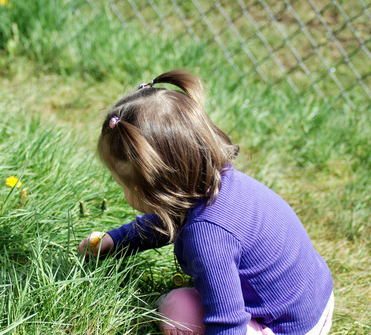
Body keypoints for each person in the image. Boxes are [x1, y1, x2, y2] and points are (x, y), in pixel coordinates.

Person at [78, 69, 334, 335]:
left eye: (122, 185)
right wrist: (117, 240)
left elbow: (227, 321)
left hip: (292, 327)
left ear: (153, 190)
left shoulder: (207, 236)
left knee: (178, 307)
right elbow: (167, 222)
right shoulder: (219, 183)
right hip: (317, 299)